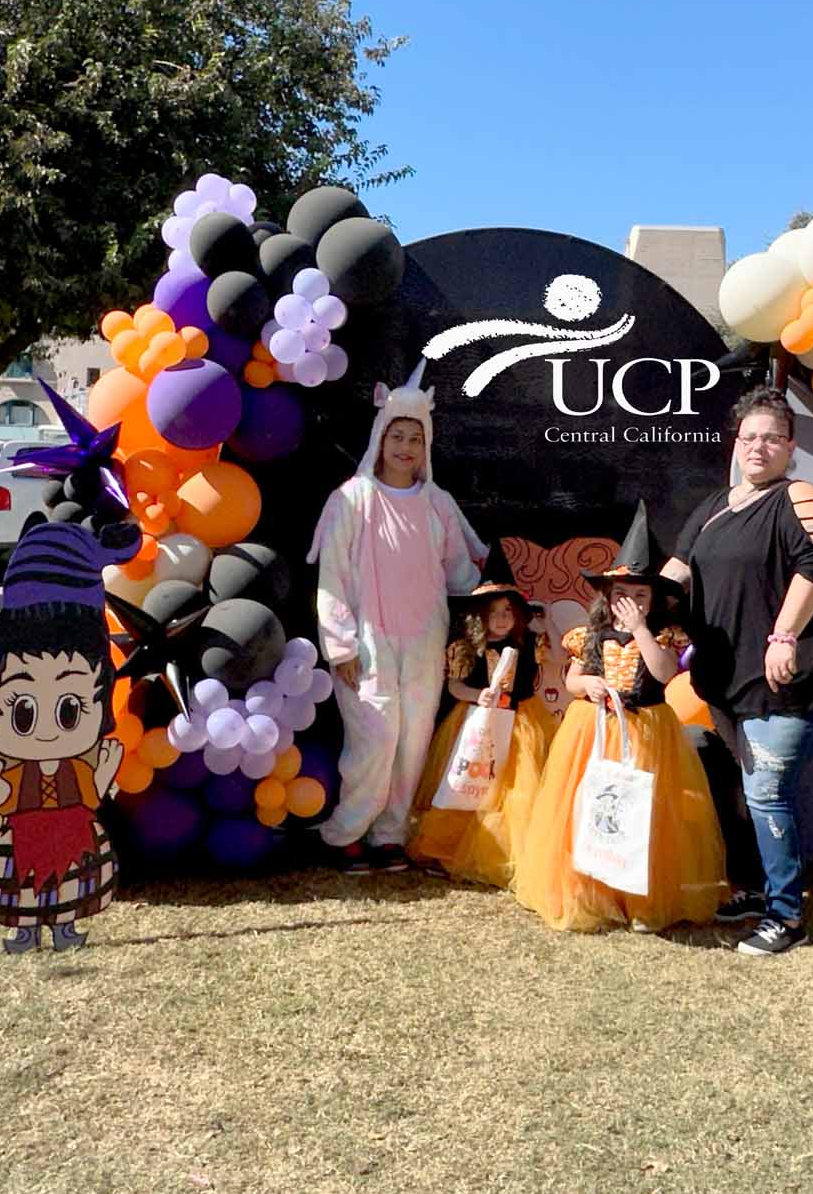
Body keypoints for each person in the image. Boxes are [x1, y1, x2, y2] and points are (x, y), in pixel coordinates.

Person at [663, 387, 813, 957]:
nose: (758, 447)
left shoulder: (803, 498)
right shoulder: (716, 506)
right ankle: (753, 889)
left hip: (787, 677)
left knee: (767, 792)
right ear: (735, 443)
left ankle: (786, 917)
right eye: (749, 437)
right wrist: (631, 609)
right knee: (740, 789)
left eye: (772, 438)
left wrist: (783, 635)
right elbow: (677, 572)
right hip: (724, 680)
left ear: (791, 447)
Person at [511, 503, 727, 932]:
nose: (628, 603)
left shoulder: (662, 635)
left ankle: (641, 896)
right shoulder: (589, 635)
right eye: (621, 594)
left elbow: (664, 674)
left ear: (654, 600)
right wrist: (585, 685)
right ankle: (592, 888)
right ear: (607, 597)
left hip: (645, 730)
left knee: (640, 807)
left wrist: (642, 630)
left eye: (640, 595)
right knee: (591, 804)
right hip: (594, 729)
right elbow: (572, 678)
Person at [308, 363, 486, 871]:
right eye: (398, 436)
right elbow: (332, 576)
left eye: (416, 438)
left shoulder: (437, 504)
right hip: (368, 640)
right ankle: (346, 831)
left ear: (427, 446)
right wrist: (339, 645)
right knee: (376, 737)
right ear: (380, 439)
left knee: (412, 740)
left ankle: (389, 833)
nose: (406, 447)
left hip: (425, 639)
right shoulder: (351, 499)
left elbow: (459, 572)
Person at [0, 520, 139, 953]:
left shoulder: (78, 761)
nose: (46, 731)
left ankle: (64, 929)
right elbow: (8, 802)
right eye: (23, 712)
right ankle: (25, 932)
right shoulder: (18, 765)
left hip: (72, 834)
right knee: (22, 884)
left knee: (69, 885)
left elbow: (89, 796)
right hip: (25, 834)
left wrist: (102, 773)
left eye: (70, 710)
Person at [407, 543, 557, 886]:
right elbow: (455, 687)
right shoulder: (466, 648)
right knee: (467, 783)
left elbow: (556, 659)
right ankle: (447, 847)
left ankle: (507, 854)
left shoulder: (528, 644)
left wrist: (545, 623)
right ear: (479, 615)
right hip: (477, 722)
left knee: (514, 785)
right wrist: (478, 695)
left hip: (519, 721)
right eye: (493, 612)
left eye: (508, 611)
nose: (502, 619)